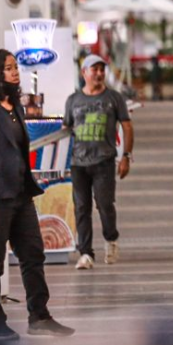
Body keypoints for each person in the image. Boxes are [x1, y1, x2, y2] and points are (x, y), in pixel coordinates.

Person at [0, 50, 75, 341]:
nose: (15, 72)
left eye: (15, 67)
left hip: (20, 193)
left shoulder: (14, 105)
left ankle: (39, 316)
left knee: (32, 255)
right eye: (8, 68)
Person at [64, 55, 134, 271]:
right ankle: (85, 253)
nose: (99, 73)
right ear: (84, 72)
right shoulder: (73, 100)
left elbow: (127, 126)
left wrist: (126, 156)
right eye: (94, 69)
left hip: (104, 160)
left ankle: (111, 239)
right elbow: (66, 130)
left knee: (104, 205)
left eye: (102, 69)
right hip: (78, 163)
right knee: (81, 208)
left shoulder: (114, 98)